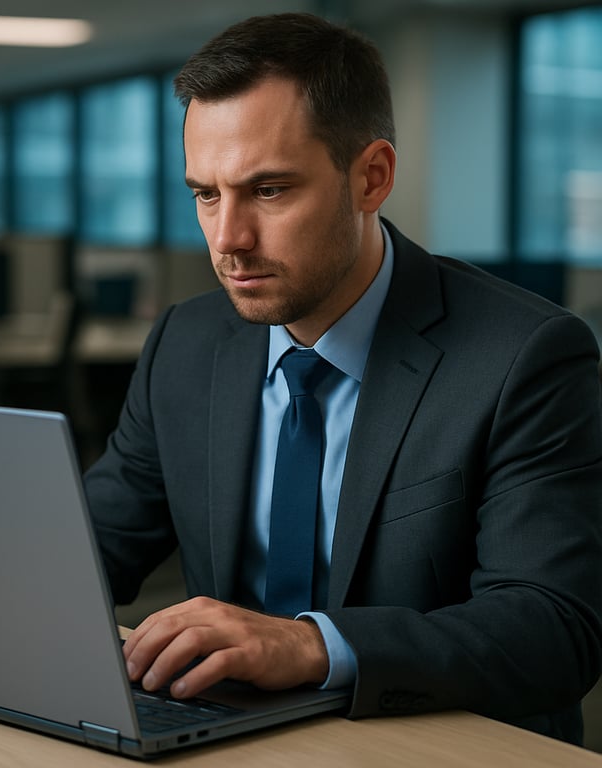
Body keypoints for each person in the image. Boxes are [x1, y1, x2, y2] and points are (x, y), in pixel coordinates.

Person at [82, 12, 602, 745]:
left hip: (436, 746)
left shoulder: (527, 356)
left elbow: (555, 627)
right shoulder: (187, 343)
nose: (228, 239)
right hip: (223, 738)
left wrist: (310, 645)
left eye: (268, 191)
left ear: (371, 177)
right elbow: (88, 550)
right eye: (206, 193)